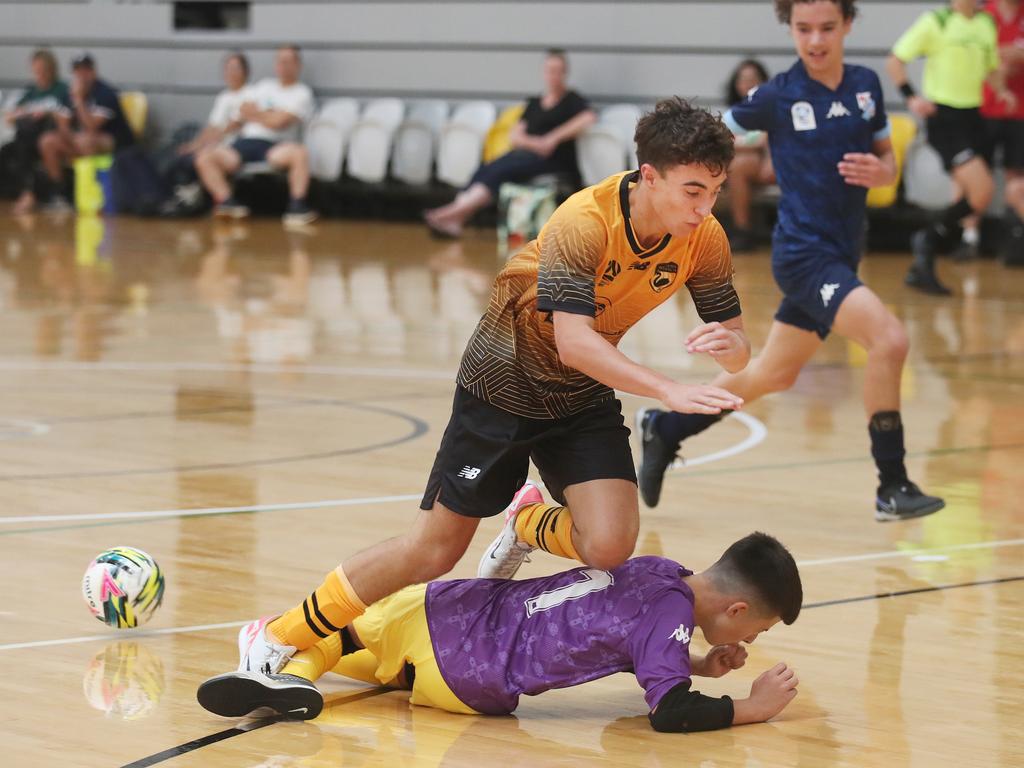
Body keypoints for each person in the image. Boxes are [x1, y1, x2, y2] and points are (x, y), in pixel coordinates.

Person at [216, 97, 748, 681]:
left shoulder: (705, 238)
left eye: (715, 191)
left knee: (610, 544)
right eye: (693, 190)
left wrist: (731, 347)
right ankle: (277, 632)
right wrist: (668, 389)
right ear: (650, 176)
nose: (705, 207)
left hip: (581, 391)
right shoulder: (584, 221)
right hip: (504, 380)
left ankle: (526, 521)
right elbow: (574, 340)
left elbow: (740, 345)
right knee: (434, 552)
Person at [636, 0, 946, 523]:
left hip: (844, 253)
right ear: (791, 30)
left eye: (827, 28)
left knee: (773, 375)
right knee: (889, 339)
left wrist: (883, 171)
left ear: (848, 25)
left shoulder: (866, 85)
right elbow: (710, 139)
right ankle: (891, 485)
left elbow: (887, 162)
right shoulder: (779, 95)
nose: (816, 40)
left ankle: (666, 427)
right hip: (804, 256)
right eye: (804, 29)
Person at [198, 532, 802, 733]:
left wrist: (695, 664)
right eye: (760, 630)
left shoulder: (655, 570)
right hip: (468, 682)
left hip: (446, 613)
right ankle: (285, 672)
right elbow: (668, 714)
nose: (750, 644)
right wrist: (752, 708)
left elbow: (619, 635)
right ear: (739, 609)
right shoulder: (668, 619)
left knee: (345, 635)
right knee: (357, 653)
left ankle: (275, 658)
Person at [887, 0, 1016, 293]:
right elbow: (895, 61)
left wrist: (1001, 90)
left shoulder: (985, 23)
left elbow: (991, 66)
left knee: (979, 197)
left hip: (974, 117)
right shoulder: (938, 21)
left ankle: (926, 249)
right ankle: (927, 241)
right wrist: (911, 97)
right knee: (982, 189)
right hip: (945, 119)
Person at [424, 49, 597, 238]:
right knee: (486, 168)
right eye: (549, 70)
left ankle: (453, 213)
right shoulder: (534, 103)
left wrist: (553, 138)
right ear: (543, 73)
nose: (553, 75)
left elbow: (588, 118)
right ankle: (457, 216)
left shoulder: (572, 100)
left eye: (558, 71)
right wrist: (535, 143)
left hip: (552, 160)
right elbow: (515, 135)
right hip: (526, 155)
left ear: (565, 73)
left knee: (501, 171)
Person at [193, 45, 317, 227]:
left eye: (288, 61)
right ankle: (227, 202)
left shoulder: (302, 93)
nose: (283, 65)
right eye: (280, 61)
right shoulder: (264, 86)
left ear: (298, 65)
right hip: (244, 143)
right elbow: (243, 111)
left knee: (299, 153)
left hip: (275, 146)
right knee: (205, 157)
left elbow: (280, 123)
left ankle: (297, 206)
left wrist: (259, 115)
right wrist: (270, 114)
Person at [35, 53, 135, 211]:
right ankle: (61, 194)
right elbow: (62, 125)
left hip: (115, 143)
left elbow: (92, 127)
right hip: (79, 141)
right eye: (78, 72)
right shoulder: (68, 94)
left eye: (86, 71)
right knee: (48, 141)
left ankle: (93, 194)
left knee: (87, 141)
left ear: (93, 72)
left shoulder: (105, 93)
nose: (82, 76)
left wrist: (80, 100)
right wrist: (69, 136)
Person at [164, 52, 253, 214]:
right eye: (228, 69)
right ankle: (188, 198)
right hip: (217, 146)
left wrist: (203, 145)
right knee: (182, 156)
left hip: (235, 148)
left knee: (203, 157)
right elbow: (212, 127)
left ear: (245, 72)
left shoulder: (251, 95)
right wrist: (194, 145)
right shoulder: (224, 97)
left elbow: (231, 127)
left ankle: (223, 200)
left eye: (235, 68)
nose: (231, 73)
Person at [981, 0, 1024, 265]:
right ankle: (969, 238)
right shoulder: (985, 14)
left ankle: (1015, 238)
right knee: (978, 178)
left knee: (1016, 179)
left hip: (1020, 110)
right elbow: (977, 57)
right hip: (984, 107)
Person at [3, 49, 70, 215]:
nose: (39, 74)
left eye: (43, 70)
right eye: (36, 70)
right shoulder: (30, 91)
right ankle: (22, 192)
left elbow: (66, 115)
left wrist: (47, 113)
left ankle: (31, 193)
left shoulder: (62, 90)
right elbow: (10, 115)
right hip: (28, 136)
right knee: (8, 150)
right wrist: (25, 111)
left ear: (52, 69)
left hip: (51, 134)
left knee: (23, 146)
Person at [722, 59, 777, 252]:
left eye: (753, 79)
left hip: (775, 160)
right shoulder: (733, 113)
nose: (747, 84)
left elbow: (763, 140)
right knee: (738, 166)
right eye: (743, 79)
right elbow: (725, 141)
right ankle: (742, 231)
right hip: (751, 163)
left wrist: (740, 143)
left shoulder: (771, 107)